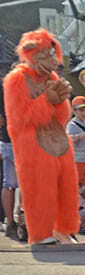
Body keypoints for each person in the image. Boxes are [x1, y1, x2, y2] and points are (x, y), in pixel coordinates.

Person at [3, 28, 80, 245]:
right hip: (32, 142)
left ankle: (64, 229)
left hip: (58, 140)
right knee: (40, 186)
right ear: (31, 53)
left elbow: (63, 117)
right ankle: (40, 232)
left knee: (67, 186)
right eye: (44, 53)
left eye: (51, 53)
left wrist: (60, 100)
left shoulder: (53, 76)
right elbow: (21, 119)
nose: (50, 59)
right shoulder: (15, 79)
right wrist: (48, 98)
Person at [0, 85, 18, 240]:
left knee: (9, 183)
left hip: (9, 140)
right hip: (13, 141)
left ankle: (13, 222)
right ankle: (14, 221)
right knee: (14, 184)